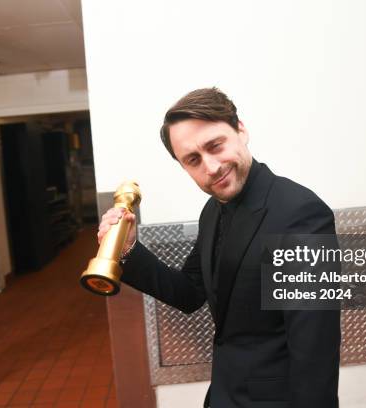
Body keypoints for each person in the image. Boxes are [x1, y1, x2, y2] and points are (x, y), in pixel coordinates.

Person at [98, 88, 340, 408]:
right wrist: (128, 249)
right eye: (193, 160)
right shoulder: (213, 211)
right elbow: (189, 292)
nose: (211, 167)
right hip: (226, 395)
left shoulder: (300, 213)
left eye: (215, 146)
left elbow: (316, 353)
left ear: (241, 130)